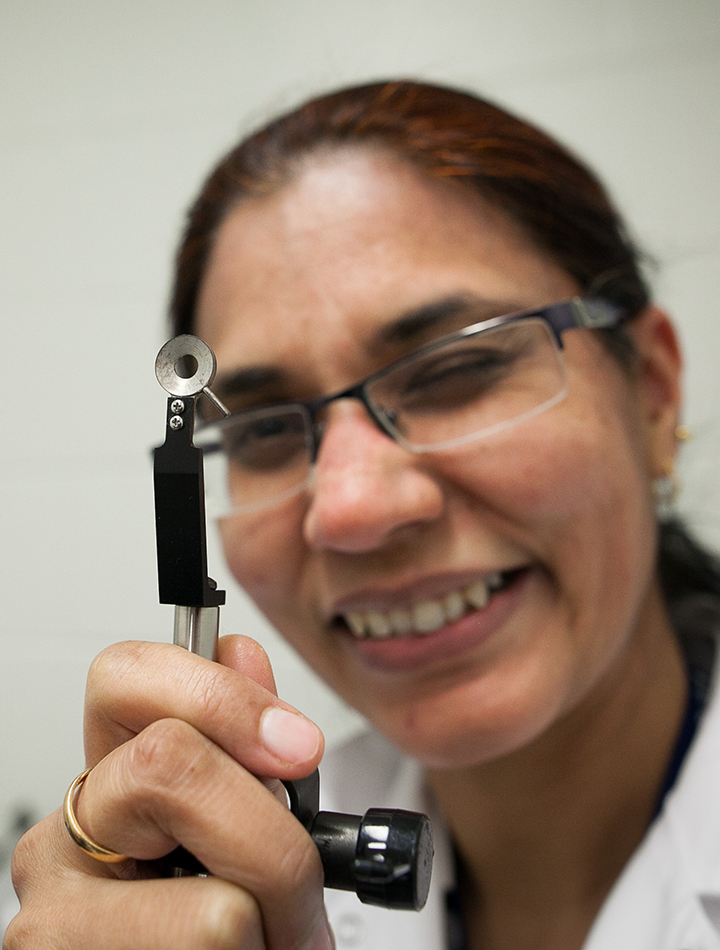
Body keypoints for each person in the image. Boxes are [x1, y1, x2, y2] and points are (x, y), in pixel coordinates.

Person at [7, 80, 720, 950]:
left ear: (651, 397)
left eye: (456, 372)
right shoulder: (230, 875)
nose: (350, 508)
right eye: (267, 429)